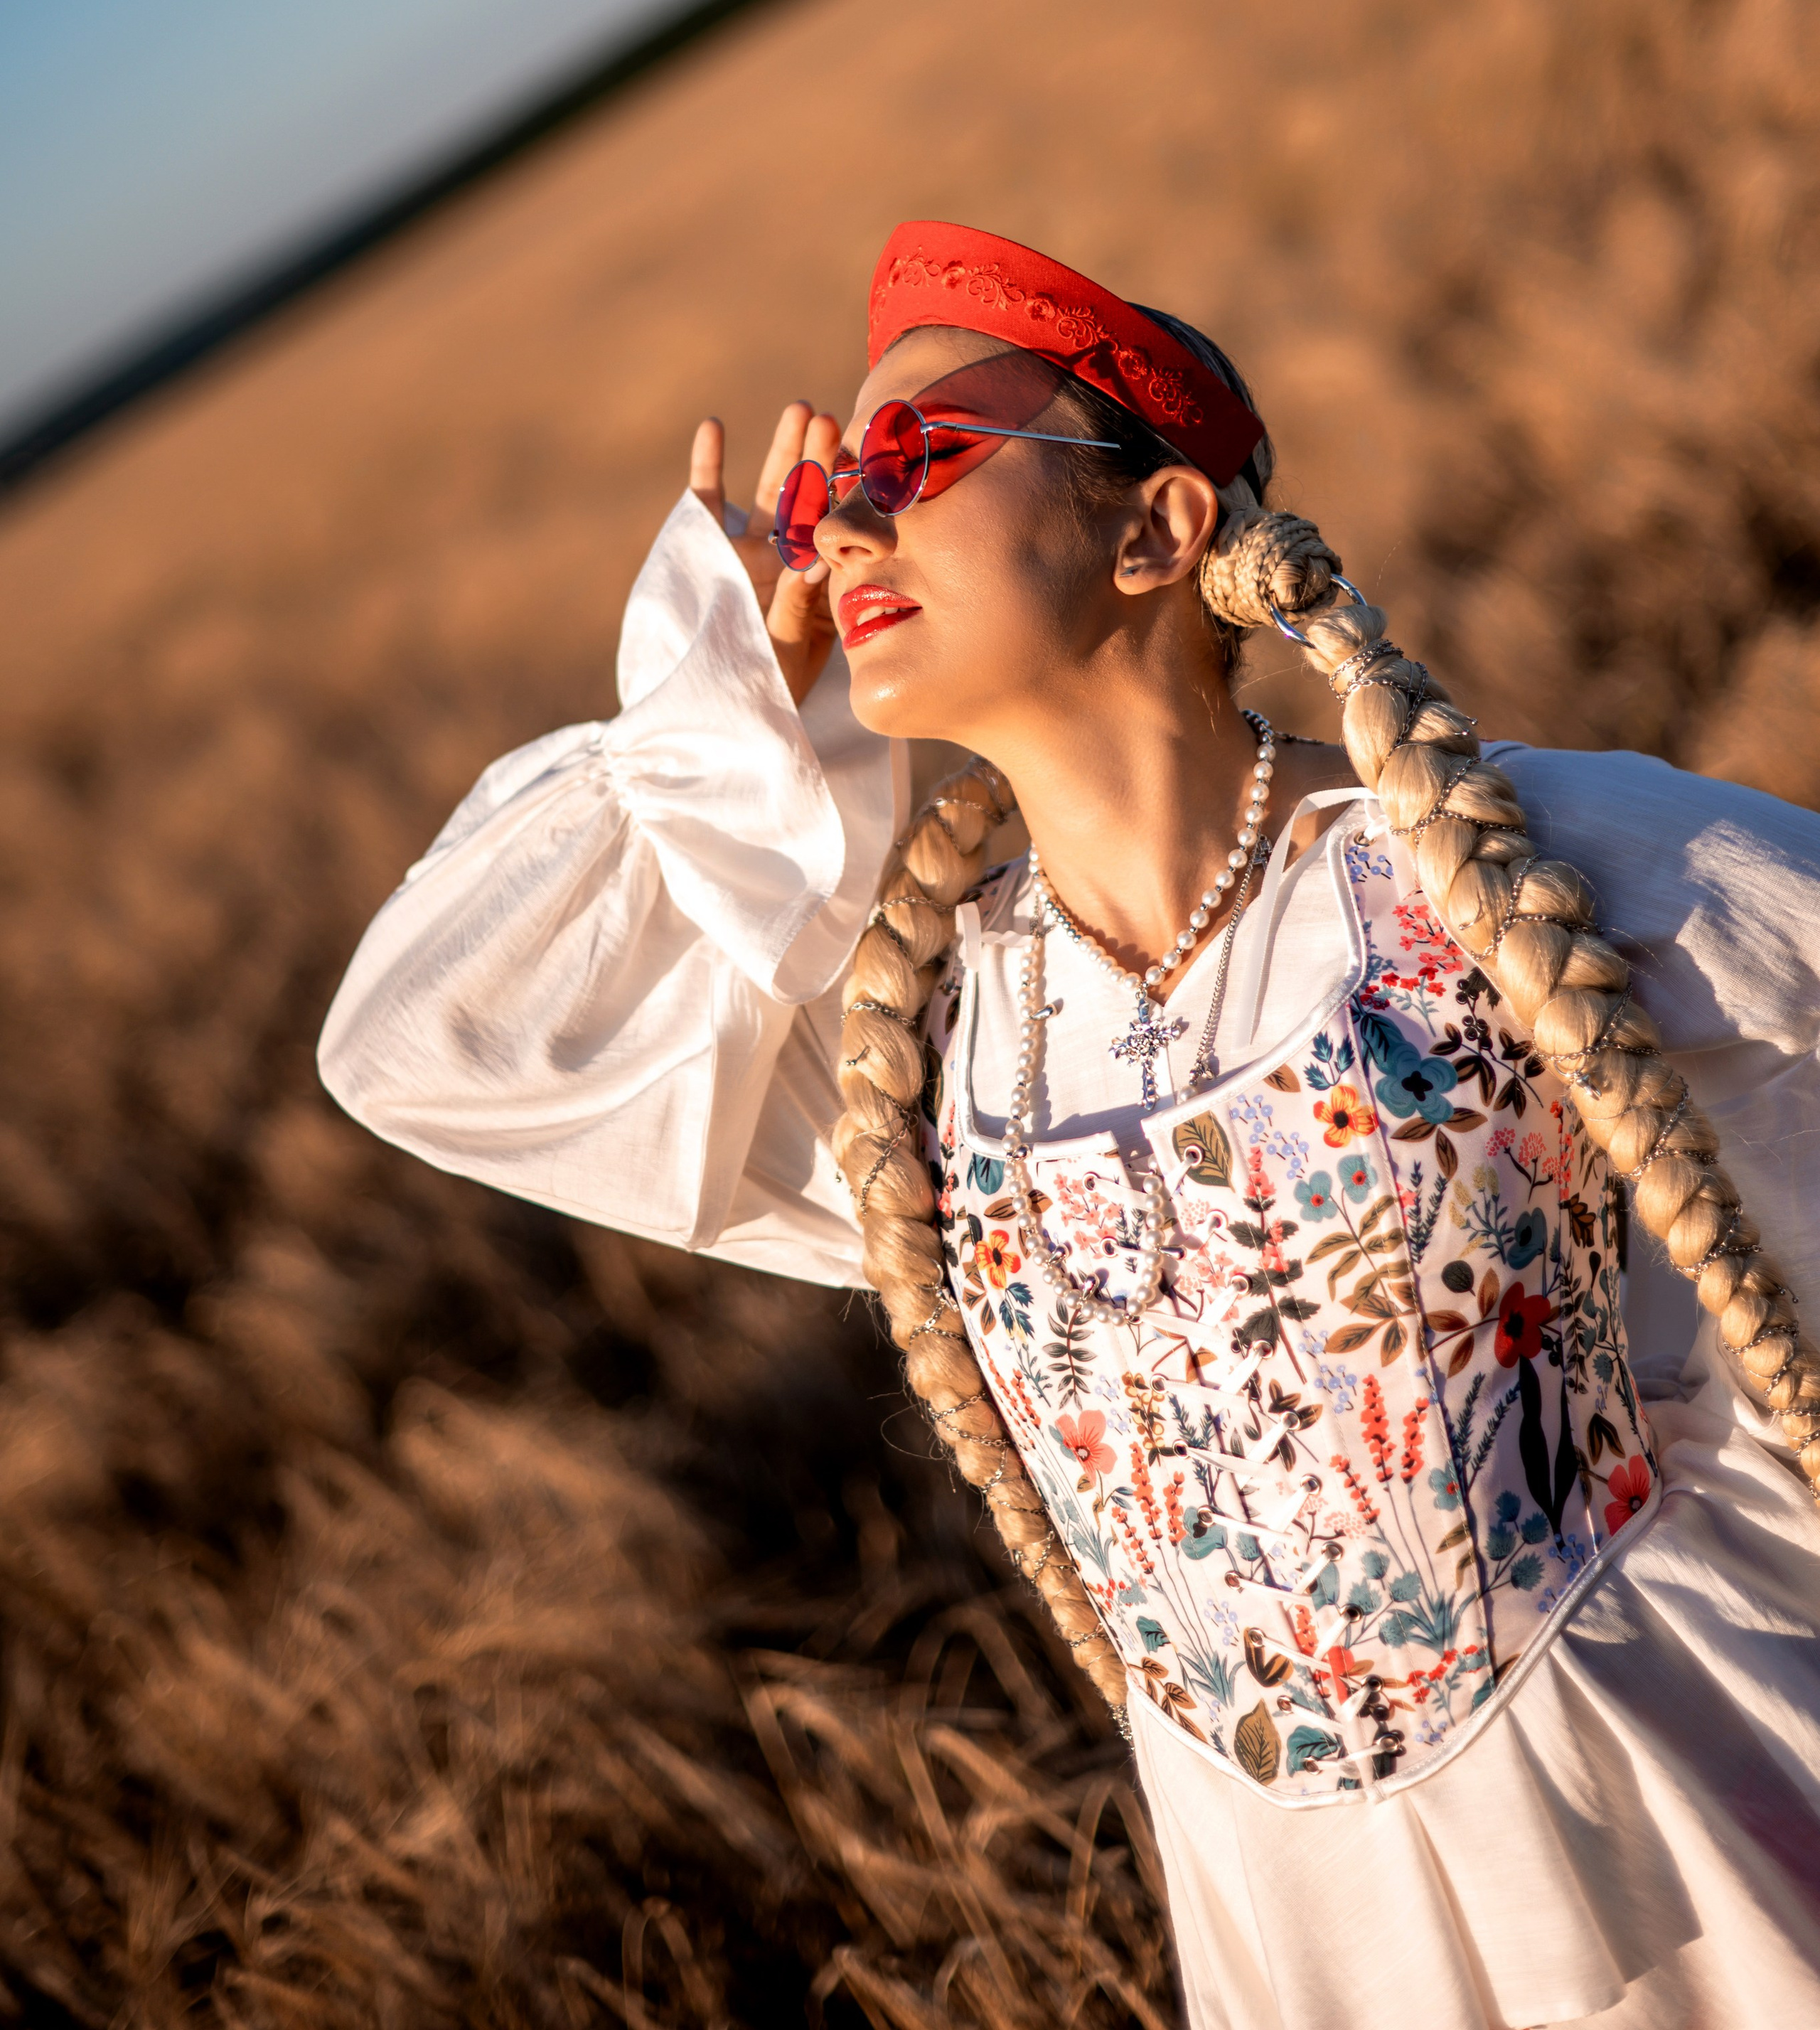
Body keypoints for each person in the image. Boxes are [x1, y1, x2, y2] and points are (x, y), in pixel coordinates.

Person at [321, 220, 1820, 2030]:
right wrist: (715, 729)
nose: (842, 527)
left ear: (1154, 527)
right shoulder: (924, 1055)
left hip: (1697, 1840)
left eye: (914, 456)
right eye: (826, 499)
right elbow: (422, 1045)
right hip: (1315, 1955)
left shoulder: (1476, 869)